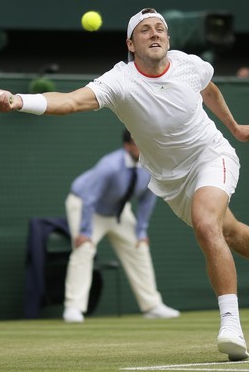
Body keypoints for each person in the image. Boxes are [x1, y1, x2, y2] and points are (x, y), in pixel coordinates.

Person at [0, 7, 249, 362]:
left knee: (206, 225)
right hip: (170, 179)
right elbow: (69, 101)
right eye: (145, 30)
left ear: (168, 39)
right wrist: (18, 101)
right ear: (131, 43)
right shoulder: (120, 81)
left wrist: (234, 128)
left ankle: (231, 325)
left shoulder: (188, 64)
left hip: (211, 156)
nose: (155, 34)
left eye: (160, 29)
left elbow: (210, 90)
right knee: (228, 232)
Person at [62, 128, 180, 323]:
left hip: (118, 211)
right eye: (138, 143)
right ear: (127, 146)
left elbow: (148, 199)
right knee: (84, 249)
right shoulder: (110, 166)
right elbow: (89, 198)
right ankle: (73, 308)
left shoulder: (151, 166)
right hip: (85, 206)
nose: (144, 147)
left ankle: (152, 306)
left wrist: (141, 230)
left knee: (139, 246)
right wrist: (85, 231)